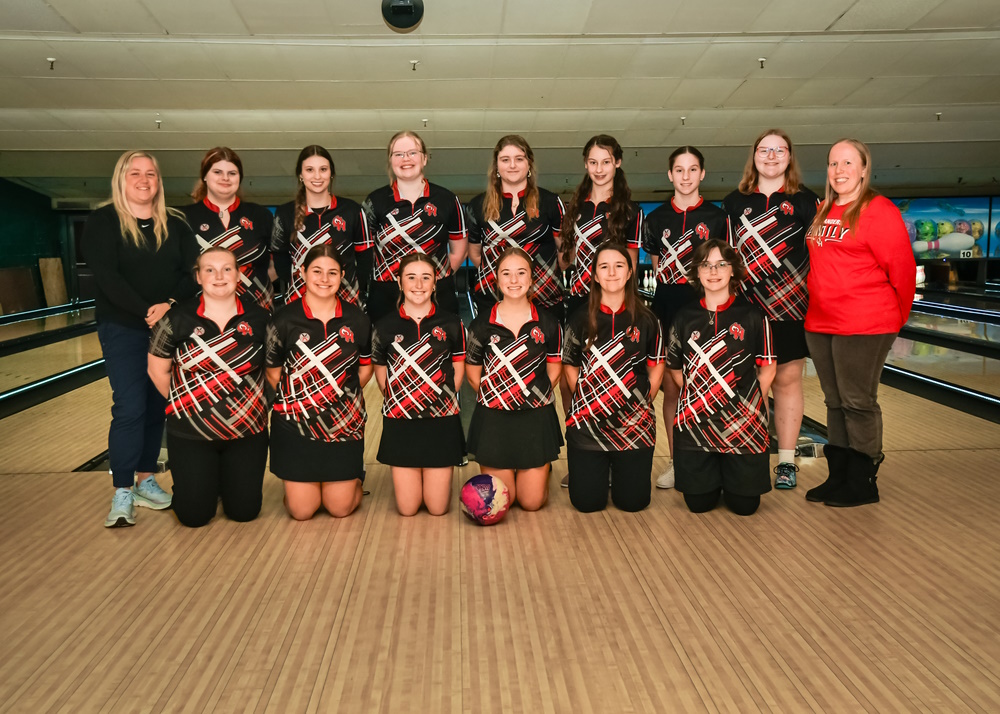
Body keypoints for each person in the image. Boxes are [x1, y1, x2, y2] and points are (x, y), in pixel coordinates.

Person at [82, 150, 199, 528]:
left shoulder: (175, 224)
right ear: (122, 179)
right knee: (130, 406)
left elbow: (189, 272)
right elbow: (107, 277)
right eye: (135, 173)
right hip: (123, 327)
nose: (144, 179)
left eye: (150, 173)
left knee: (155, 407)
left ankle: (146, 479)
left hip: (169, 329)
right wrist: (147, 311)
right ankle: (121, 488)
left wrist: (168, 306)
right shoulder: (103, 222)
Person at [804, 139, 915, 507]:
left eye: (848, 162)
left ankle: (863, 481)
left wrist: (894, 319)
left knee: (857, 401)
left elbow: (902, 270)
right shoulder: (824, 209)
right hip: (821, 322)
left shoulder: (878, 210)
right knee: (834, 402)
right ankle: (839, 477)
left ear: (865, 169)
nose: (840, 171)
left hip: (864, 322)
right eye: (834, 163)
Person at [722, 128, 820, 490]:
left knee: (787, 381)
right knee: (746, 383)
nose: (772, 155)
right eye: (765, 149)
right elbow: (728, 257)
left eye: (780, 150)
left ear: (790, 157)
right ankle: (743, 452)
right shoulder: (735, 202)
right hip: (746, 311)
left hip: (791, 308)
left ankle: (786, 462)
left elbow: (819, 256)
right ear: (754, 156)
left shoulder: (808, 201)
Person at [147, 247, 269, 527]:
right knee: (193, 516)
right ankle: (199, 485)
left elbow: (272, 372)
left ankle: (221, 483)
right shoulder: (176, 319)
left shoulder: (260, 319)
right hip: (191, 433)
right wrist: (189, 405)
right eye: (209, 270)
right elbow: (157, 369)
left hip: (247, 431)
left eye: (227, 269)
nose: (219, 276)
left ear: (238, 275)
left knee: (244, 512)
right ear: (198, 277)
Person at [666, 239, 776, 516]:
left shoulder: (753, 316)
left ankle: (732, 478)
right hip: (697, 422)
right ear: (698, 272)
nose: (713, 272)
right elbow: (676, 370)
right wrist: (702, 399)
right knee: (698, 505)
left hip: (744, 424)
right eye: (706, 265)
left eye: (721, 265)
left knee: (745, 506)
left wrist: (748, 406)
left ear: (732, 270)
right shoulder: (684, 317)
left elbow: (768, 368)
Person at [642, 146, 730, 491]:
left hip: (705, 305)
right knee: (671, 387)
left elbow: (723, 265)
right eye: (679, 170)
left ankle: (719, 457)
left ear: (702, 174)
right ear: (670, 175)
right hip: (667, 303)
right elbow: (654, 265)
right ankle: (679, 461)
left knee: (713, 382)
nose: (686, 176)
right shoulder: (656, 218)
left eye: (693, 169)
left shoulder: (717, 217)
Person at [558, 135, 644, 488]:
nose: (599, 168)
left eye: (605, 162)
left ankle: (614, 451)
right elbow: (565, 258)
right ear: (585, 165)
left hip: (616, 304)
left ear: (617, 164)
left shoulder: (630, 210)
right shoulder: (573, 208)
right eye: (593, 162)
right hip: (579, 301)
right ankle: (583, 452)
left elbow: (634, 263)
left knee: (614, 377)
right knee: (572, 378)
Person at [266, 244, 372, 520]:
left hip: (343, 422)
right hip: (295, 423)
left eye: (332, 272)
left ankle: (354, 478)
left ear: (341, 276)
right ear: (302, 272)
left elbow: (365, 369)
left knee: (339, 509)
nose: (324, 279)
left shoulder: (357, 319)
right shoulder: (284, 319)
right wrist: (305, 401)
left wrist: (337, 399)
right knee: (302, 511)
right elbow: (274, 373)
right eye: (317, 271)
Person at [562, 243, 663, 513]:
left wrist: (641, 402)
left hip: (634, 425)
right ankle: (600, 471)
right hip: (589, 425)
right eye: (603, 267)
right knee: (586, 503)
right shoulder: (579, 318)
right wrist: (590, 401)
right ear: (594, 275)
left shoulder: (648, 319)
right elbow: (570, 367)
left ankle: (615, 471)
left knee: (633, 503)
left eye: (619, 266)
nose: (612, 273)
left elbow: (656, 366)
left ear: (630, 272)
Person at [465, 247, 563, 511]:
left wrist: (530, 397)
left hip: (535, 417)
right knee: (502, 503)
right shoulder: (481, 325)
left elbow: (554, 369)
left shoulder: (548, 322)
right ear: (496, 279)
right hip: (494, 420)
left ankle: (541, 471)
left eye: (521, 273)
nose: (514, 280)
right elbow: (473, 374)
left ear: (532, 279)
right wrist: (502, 398)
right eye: (506, 274)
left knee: (531, 503)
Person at [371, 253, 466, 516]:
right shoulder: (383, 326)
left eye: (426, 278)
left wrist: (440, 401)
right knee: (408, 509)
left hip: (441, 420)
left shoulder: (451, 323)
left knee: (437, 509)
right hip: (400, 421)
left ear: (436, 283)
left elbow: (458, 370)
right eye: (411, 277)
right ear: (400, 282)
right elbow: (381, 375)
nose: (419, 284)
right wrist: (404, 402)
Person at [362, 131, 468, 322]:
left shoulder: (447, 199)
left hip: (437, 295)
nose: (406, 159)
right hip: (386, 296)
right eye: (399, 154)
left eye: (412, 152)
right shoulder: (374, 201)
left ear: (424, 158)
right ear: (390, 160)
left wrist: (430, 278)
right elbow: (365, 253)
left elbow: (459, 251)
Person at [465, 135, 566, 323]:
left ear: (529, 165)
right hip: (493, 299)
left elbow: (565, 254)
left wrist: (540, 278)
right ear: (496, 166)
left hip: (544, 299)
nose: (512, 165)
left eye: (519, 159)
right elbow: (476, 255)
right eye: (505, 160)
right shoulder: (478, 205)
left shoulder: (551, 202)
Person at [271, 145, 371, 308]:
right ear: (301, 175)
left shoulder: (352, 210)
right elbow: (280, 259)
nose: (317, 176)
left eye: (323, 169)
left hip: (346, 301)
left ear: (331, 174)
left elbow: (365, 258)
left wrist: (350, 285)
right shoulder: (284, 213)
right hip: (299, 301)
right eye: (310, 170)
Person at [181, 147, 275, 310]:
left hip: (257, 311)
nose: (225, 178)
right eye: (217, 172)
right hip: (200, 315)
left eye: (232, 173)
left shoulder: (261, 215)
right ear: (204, 176)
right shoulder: (184, 218)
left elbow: (278, 264)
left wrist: (253, 288)